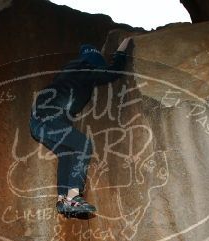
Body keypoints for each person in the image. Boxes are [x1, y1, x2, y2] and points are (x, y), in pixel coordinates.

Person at [29, 38, 133, 217]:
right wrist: (121, 51)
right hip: (50, 118)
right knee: (83, 145)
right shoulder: (86, 68)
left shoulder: (69, 71)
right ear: (94, 63)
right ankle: (73, 197)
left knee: (67, 154)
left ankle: (63, 199)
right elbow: (113, 72)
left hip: (38, 123)